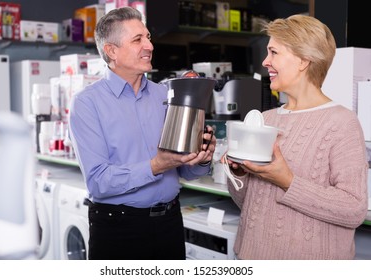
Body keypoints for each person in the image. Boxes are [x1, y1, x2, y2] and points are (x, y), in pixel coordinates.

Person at [68, 6, 216, 260]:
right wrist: (156, 165)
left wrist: (201, 159)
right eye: (138, 39)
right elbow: (99, 182)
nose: (149, 46)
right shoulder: (86, 103)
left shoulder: (166, 94)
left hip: (169, 223)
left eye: (148, 37)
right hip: (118, 230)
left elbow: (185, 170)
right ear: (111, 51)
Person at [222, 14, 368, 260]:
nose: (265, 62)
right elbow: (250, 202)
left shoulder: (342, 123)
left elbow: (354, 210)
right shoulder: (266, 119)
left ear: (303, 60)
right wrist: (239, 173)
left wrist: (288, 180)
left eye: (274, 52)